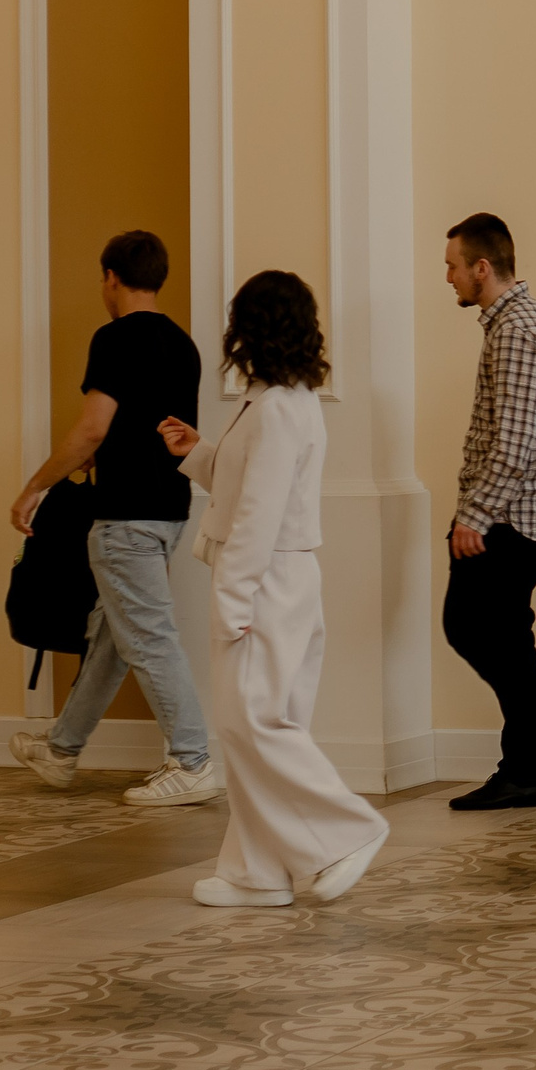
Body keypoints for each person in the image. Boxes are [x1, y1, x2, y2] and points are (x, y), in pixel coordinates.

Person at [157, 270, 389, 908]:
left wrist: (232, 603)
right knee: (255, 725)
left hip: (266, 581)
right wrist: (199, 451)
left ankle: (347, 832)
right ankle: (255, 872)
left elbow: (258, 517)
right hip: (277, 577)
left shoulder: (279, 407)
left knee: (254, 723)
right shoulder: (278, 400)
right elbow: (250, 484)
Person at [7, 230, 220, 807]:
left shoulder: (114, 338)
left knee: (147, 637)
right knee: (111, 634)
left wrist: (33, 489)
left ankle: (193, 760)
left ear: (111, 277)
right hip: (170, 511)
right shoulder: (183, 344)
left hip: (125, 516)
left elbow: (92, 428)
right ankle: (61, 749)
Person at [440, 212, 536, 812]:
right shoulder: (514, 324)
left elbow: (514, 441)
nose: (448, 277)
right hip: (511, 514)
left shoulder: (517, 330)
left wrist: (474, 516)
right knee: (509, 643)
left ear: (482, 267)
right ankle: (524, 770)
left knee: (468, 628)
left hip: (505, 518)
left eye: (453, 266)